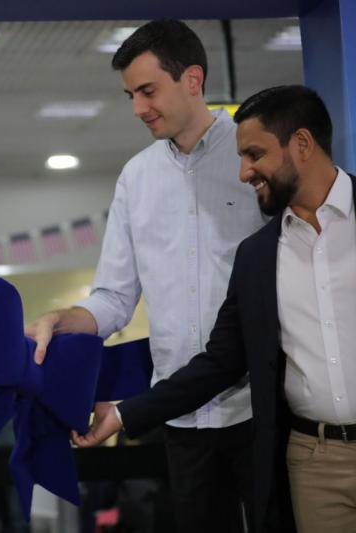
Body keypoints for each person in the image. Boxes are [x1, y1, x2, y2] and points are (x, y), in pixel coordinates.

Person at [78, 84, 354, 533]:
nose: (243, 172)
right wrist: (125, 414)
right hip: (312, 462)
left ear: (302, 145)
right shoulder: (258, 256)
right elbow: (220, 362)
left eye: (254, 155)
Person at [25, 19, 265, 533]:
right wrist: (62, 319)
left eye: (148, 90)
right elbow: (114, 298)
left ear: (193, 80)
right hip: (178, 417)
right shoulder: (136, 177)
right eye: (130, 94)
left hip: (262, 407)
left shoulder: (253, 155)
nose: (138, 108)